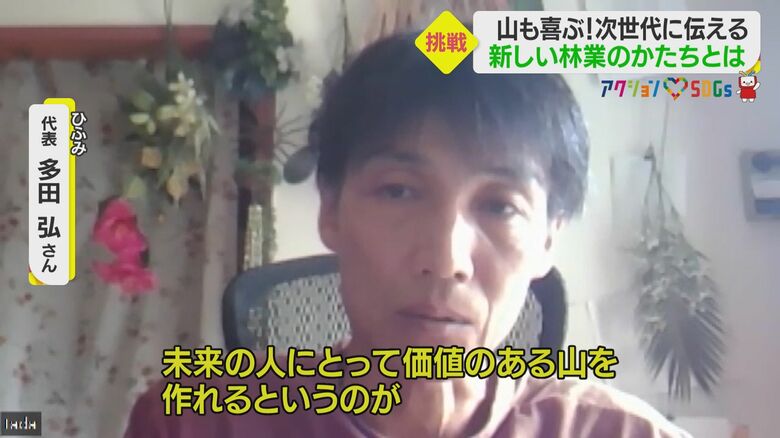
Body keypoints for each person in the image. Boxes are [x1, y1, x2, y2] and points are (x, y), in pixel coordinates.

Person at [124, 31, 691, 438]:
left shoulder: (621, 432)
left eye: (499, 205)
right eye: (398, 191)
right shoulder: (194, 423)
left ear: (548, 239)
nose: (445, 259)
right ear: (331, 209)